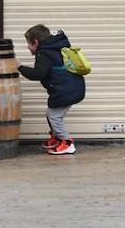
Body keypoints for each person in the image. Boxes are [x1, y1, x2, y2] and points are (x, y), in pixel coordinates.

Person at [19, 24, 86, 156]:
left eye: (28, 44)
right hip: (71, 88)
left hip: (67, 91)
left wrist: (19, 67)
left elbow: (38, 74)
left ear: (36, 42)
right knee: (51, 114)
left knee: (54, 116)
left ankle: (67, 143)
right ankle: (57, 138)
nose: (28, 47)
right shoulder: (55, 48)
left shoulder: (45, 53)